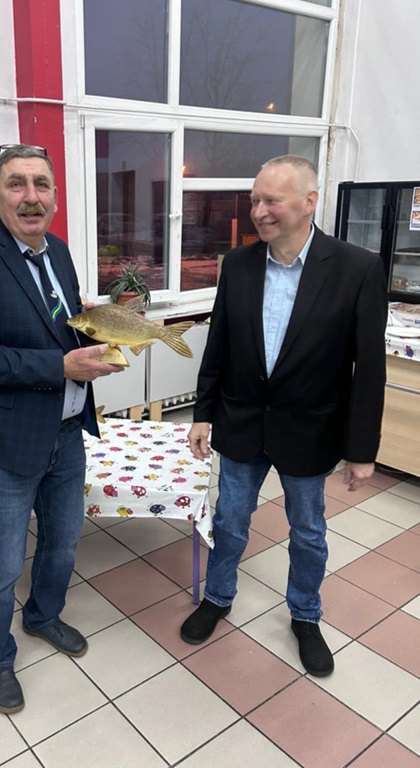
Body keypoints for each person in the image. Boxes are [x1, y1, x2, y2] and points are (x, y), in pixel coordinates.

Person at [181, 155, 387, 677]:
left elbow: (369, 369)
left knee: (308, 531)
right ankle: (218, 597)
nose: (259, 211)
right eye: (255, 200)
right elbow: (219, 344)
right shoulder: (239, 264)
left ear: (309, 201)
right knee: (229, 520)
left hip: (309, 429)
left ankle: (305, 615)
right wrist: (203, 412)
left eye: (271, 200)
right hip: (242, 422)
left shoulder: (356, 268)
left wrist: (362, 450)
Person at [0, 144, 122, 713]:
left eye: (41, 184)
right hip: (10, 440)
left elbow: (62, 327)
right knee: (1, 563)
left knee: (63, 543)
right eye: (17, 184)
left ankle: (43, 616)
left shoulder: (60, 252)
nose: (31, 196)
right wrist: (61, 366)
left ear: (55, 197)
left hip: (67, 431)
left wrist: (107, 334)